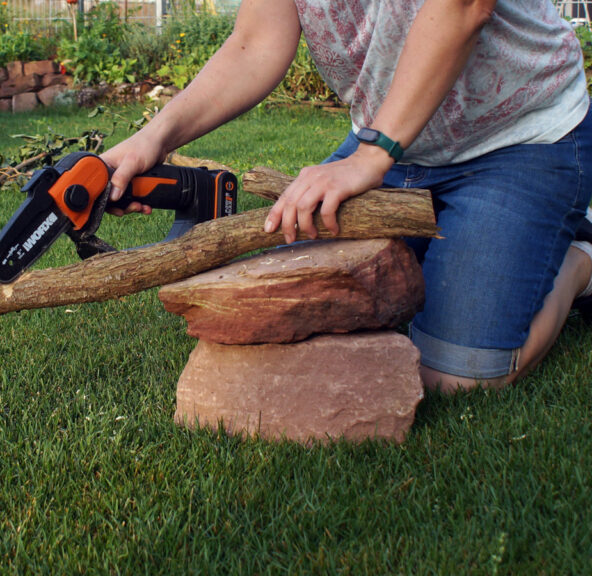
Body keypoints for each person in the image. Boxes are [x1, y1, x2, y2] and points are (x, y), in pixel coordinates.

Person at [101, 0, 592, 393]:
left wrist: (371, 156)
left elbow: (464, 6)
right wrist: (155, 138)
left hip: (518, 136)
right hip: (394, 141)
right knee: (297, 303)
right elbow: (255, 42)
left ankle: (579, 259)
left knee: (456, 378)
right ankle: (460, 243)